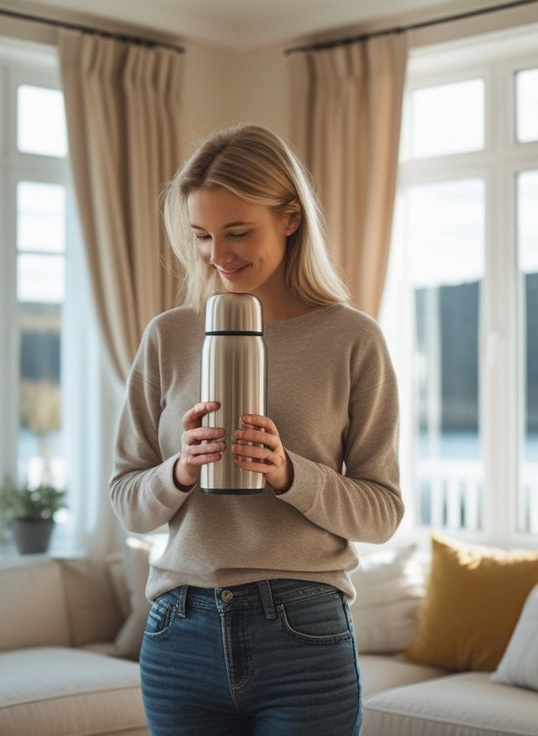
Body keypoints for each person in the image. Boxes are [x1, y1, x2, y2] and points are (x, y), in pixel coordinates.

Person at [110, 123, 403, 736]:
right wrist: (180, 471)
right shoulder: (169, 335)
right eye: (202, 236)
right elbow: (127, 503)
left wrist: (290, 473)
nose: (219, 254)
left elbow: (381, 514)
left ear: (290, 218)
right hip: (178, 630)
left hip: (303, 631)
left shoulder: (352, 340)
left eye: (238, 232)